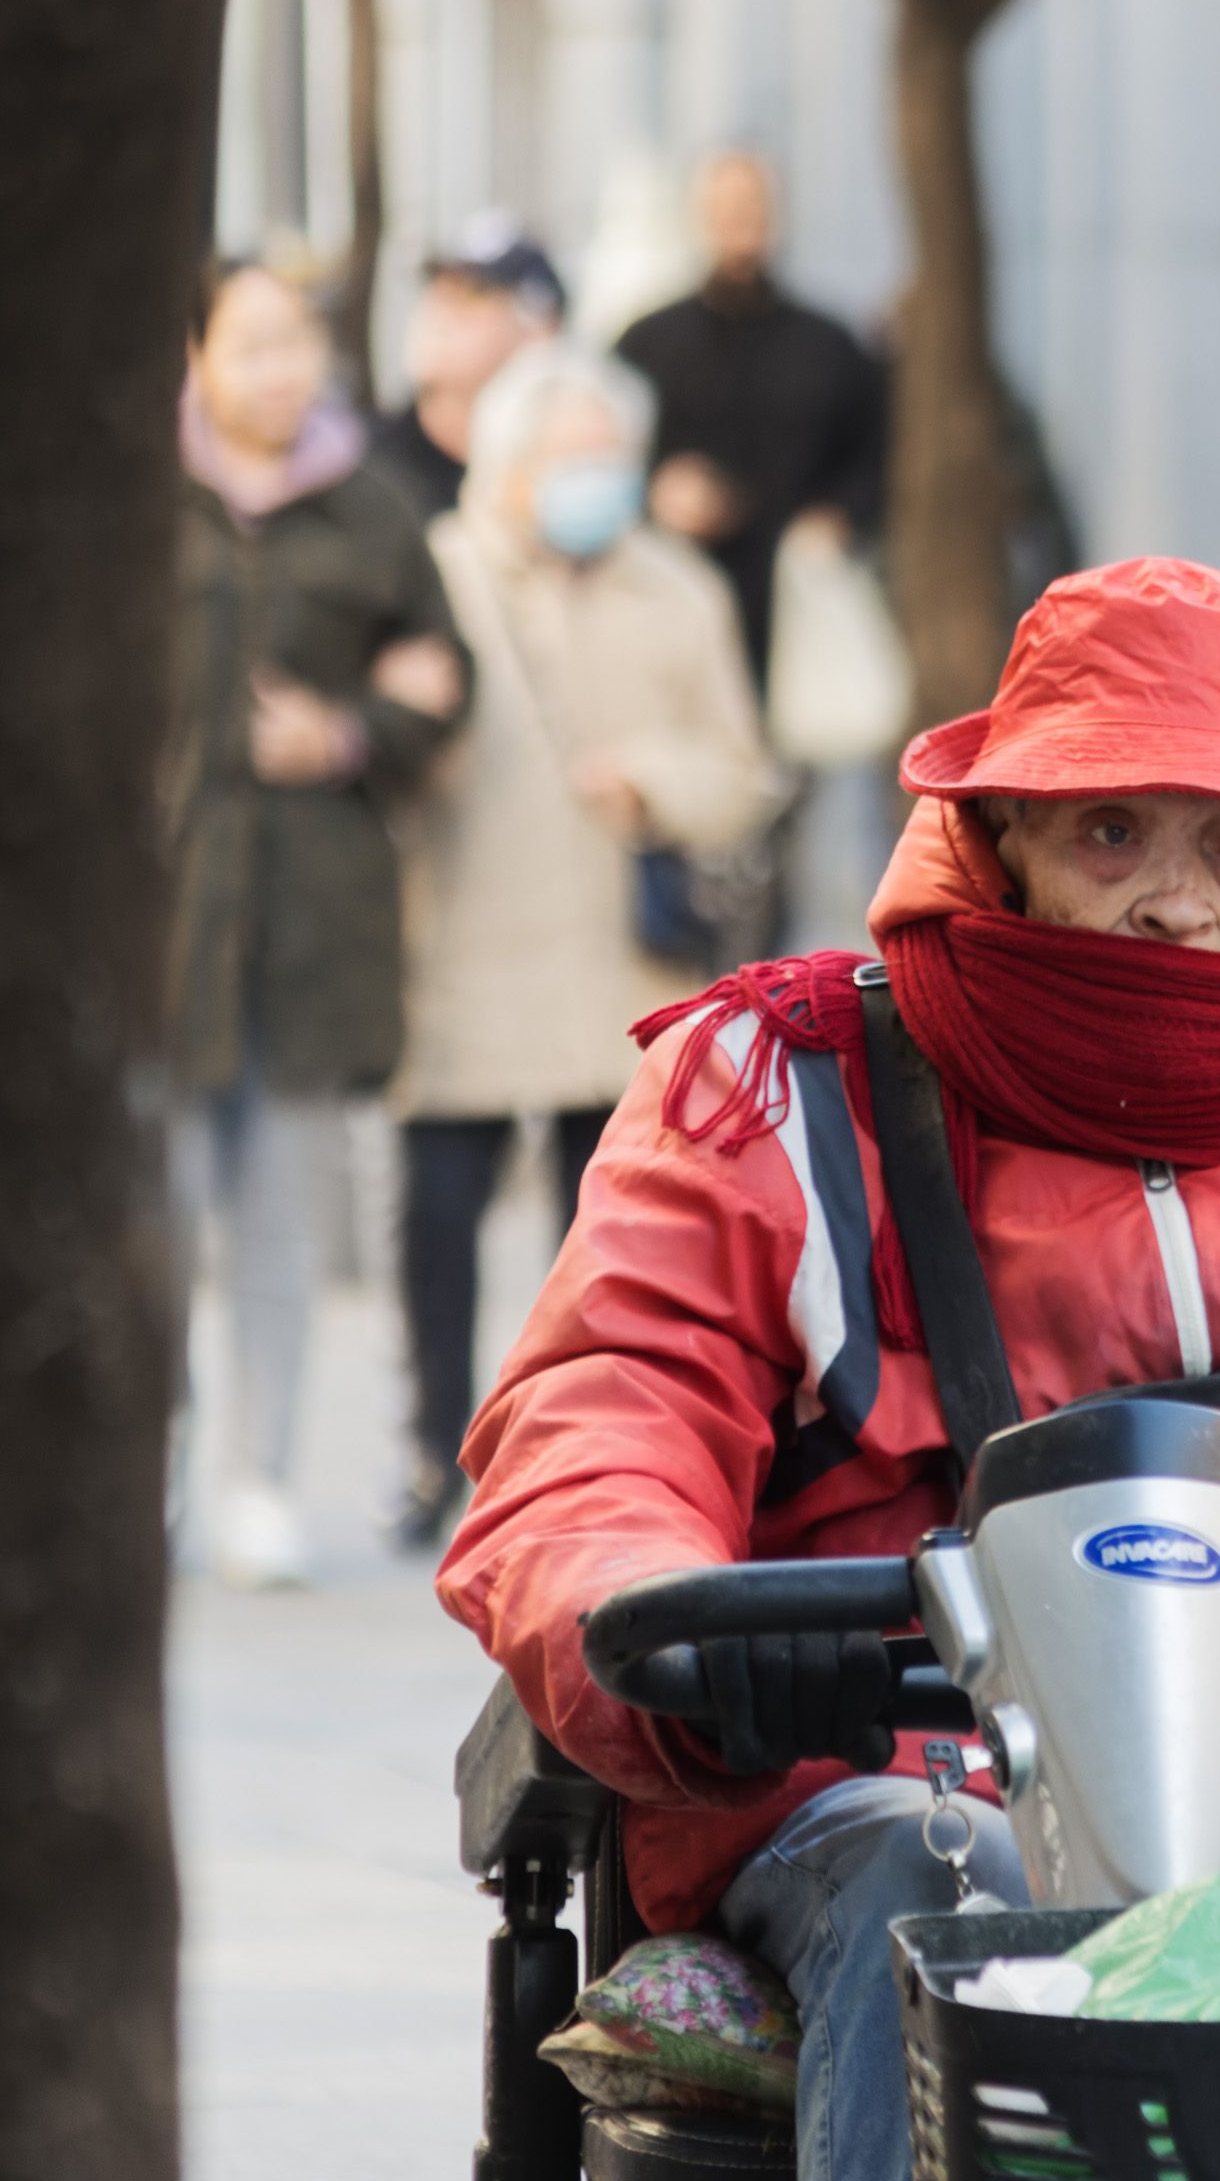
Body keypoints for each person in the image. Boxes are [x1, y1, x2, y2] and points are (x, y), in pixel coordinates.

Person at [437, 558, 1220, 2181]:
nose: (1178, 898)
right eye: (1112, 831)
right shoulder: (766, 1093)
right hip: (878, 1779)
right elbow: (600, 1426)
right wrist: (670, 1628)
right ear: (1001, 837)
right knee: (939, 1891)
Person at [389, 343, 784, 1550]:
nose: (595, 484)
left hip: (625, 967)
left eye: (612, 461)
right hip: (457, 935)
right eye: (571, 462)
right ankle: (429, 1446)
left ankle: (587, 1447)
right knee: (439, 1206)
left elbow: (744, 769)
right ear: (506, 468)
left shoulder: (678, 590)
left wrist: (657, 782)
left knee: (611, 1222)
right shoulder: (434, 574)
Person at [173, 256, 466, 1588]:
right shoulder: (145, 498)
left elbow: (440, 676)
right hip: (162, 911)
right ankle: (153, 1469)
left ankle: (261, 1478)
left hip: (308, 914)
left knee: (283, 1220)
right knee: (154, 1217)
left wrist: (351, 730)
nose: (281, 371)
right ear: (197, 359)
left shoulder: (370, 509)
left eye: (299, 344)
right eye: (252, 345)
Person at [611, 152, 886, 682]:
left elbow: (874, 459)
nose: (741, 220)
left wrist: (838, 518)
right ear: (698, 217)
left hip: (796, 613)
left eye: (753, 205)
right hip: (673, 600)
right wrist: (656, 494)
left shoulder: (830, 345)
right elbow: (605, 453)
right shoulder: (647, 343)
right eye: (725, 207)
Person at [369, 211, 565, 519]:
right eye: (437, 287)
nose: (441, 308)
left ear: (539, 328)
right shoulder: (366, 463)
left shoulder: (568, 471)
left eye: (474, 295)